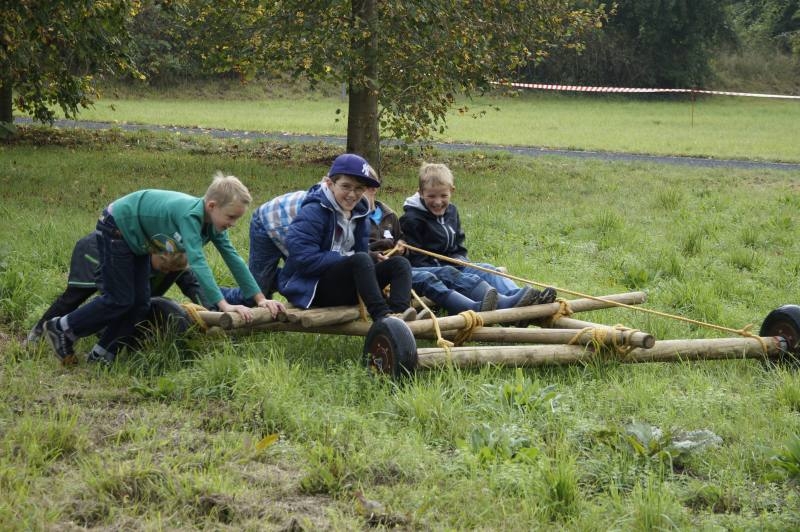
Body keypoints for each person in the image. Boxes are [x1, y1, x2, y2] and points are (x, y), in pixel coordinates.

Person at [43, 173, 285, 366]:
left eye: (236, 220)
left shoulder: (212, 224)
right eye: (231, 217)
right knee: (119, 299)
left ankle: (103, 354)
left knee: (140, 304)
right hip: (118, 227)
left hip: (138, 240)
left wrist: (260, 299)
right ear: (212, 205)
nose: (232, 224)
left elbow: (233, 258)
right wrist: (224, 305)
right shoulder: (191, 216)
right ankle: (62, 327)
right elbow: (198, 262)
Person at [363, 173, 540, 316]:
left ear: (375, 189)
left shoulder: (389, 216)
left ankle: (515, 297)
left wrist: (402, 247)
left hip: (422, 265)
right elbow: (413, 259)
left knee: (484, 267)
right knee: (447, 273)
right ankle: (490, 305)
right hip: (396, 272)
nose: (438, 201)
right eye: (359, 188)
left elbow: (406, 245)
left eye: (368, 187)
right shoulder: (408, 218)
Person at [277, 153, 415, 321]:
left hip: (347, 284)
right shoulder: (313, 211)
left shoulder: (360, 210)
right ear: (329, 183)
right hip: (313, 289)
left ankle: (400, 314)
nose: (352, 194)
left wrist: (369, 257)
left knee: (399, 264)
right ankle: (383, 317)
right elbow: (304, 259)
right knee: (360, 259)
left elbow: (359, 252)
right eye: (346, 186)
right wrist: (349, 258)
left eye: (359, 188)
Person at [399, 162, 556, 304]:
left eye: (443, 195)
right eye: (431, 196)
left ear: (451, 191)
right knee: (466, 277)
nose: (438, 202)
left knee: (486, 268)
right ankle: (502, 303)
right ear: (420, 193)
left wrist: (460, 258)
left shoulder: (451, 211)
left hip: (452, 264)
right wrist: (450, 265)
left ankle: (519, 296)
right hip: (434, 271)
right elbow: (417, 260)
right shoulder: (412, 219)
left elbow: (457, 244)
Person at [26, 231, 206, 346]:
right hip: (95, 253)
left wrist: (209, 309)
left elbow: (193, 288)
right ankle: (38, 332)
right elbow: (109, 293)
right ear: (152, 252)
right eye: (164, 267)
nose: (168, 272)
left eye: (173, 270)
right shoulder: (133, 258)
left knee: (136, 306)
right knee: (75, 297)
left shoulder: (175, 265)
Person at [220, 189, 307, 305]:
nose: (233, 224)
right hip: (267, 223)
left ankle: (268, 278)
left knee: (305, 285)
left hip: (290, 229)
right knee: (251, 297)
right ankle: (208, 295)